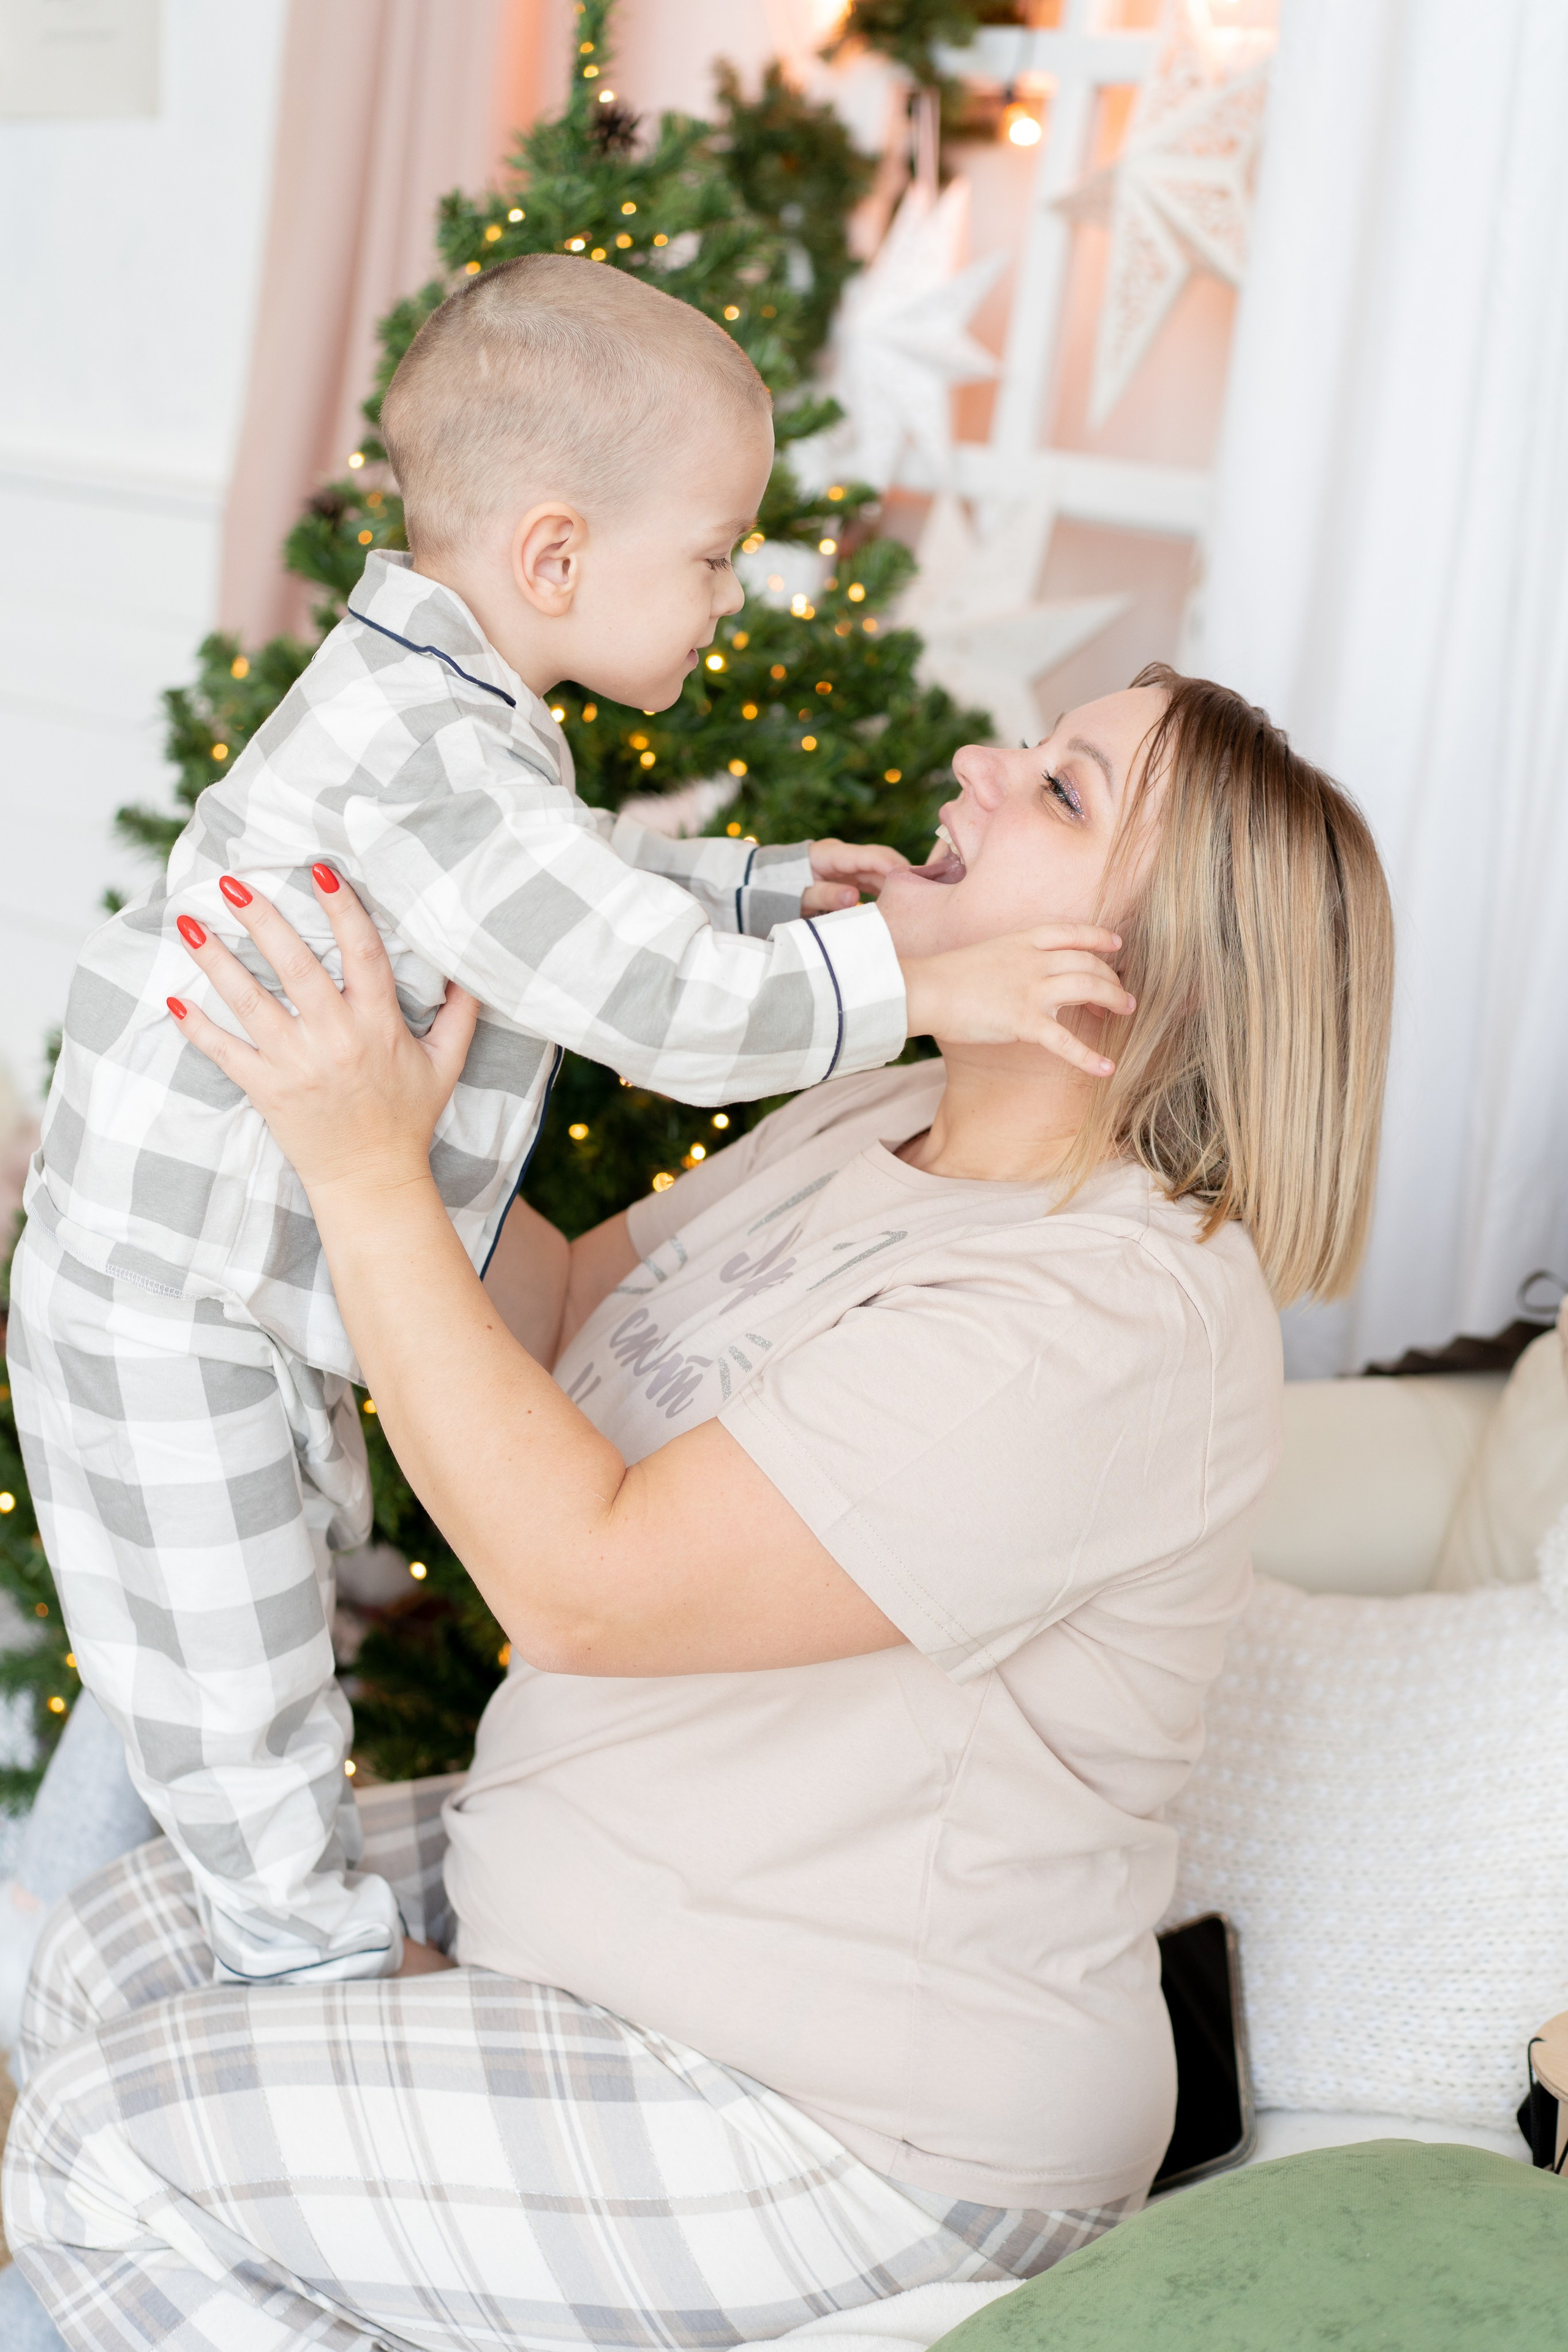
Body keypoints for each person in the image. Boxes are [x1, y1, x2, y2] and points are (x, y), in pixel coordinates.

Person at [1, 668, 1393, 2352]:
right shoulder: (885, 1112)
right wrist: (322, 1116)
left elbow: (586, 1584)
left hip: (858, 2119)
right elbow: (564, 1322)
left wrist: (366, 1172)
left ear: (1156, 980)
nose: (983, 766)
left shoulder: (1116, 1312)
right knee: (94, 1959)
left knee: (100, 2144)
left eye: (1065, 792)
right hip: (596, 1928)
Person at [3, 255, 1088, 2000]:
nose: (732, 595)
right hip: (160, 1297)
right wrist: (915, 986)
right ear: (558, 557)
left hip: (225, 1286)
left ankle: (82, 1947)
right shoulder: (430, 752)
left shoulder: (447, 723)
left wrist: (756, 886)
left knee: (207, 1656)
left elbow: (569, 896)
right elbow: (640, 994)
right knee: (239, 1699)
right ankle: (318, 1977)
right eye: (717, 551)